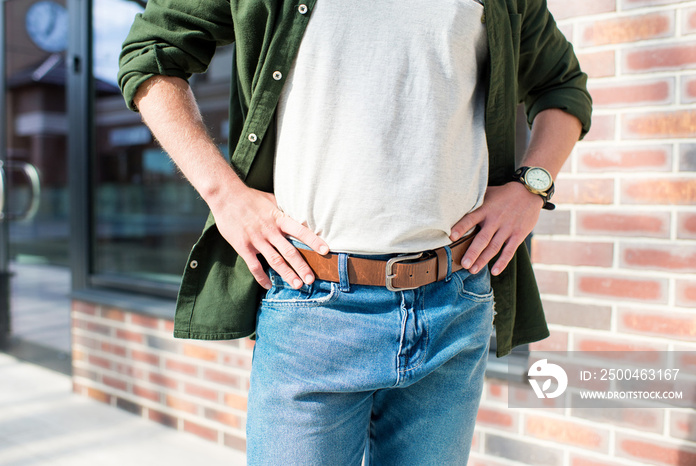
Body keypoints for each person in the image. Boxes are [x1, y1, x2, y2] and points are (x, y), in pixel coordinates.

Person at [118, 0, 591, 464]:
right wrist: (225, 195)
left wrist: (532, 186)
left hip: (454, 303)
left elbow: (562, 86)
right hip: (313, 305)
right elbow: (152, 51)